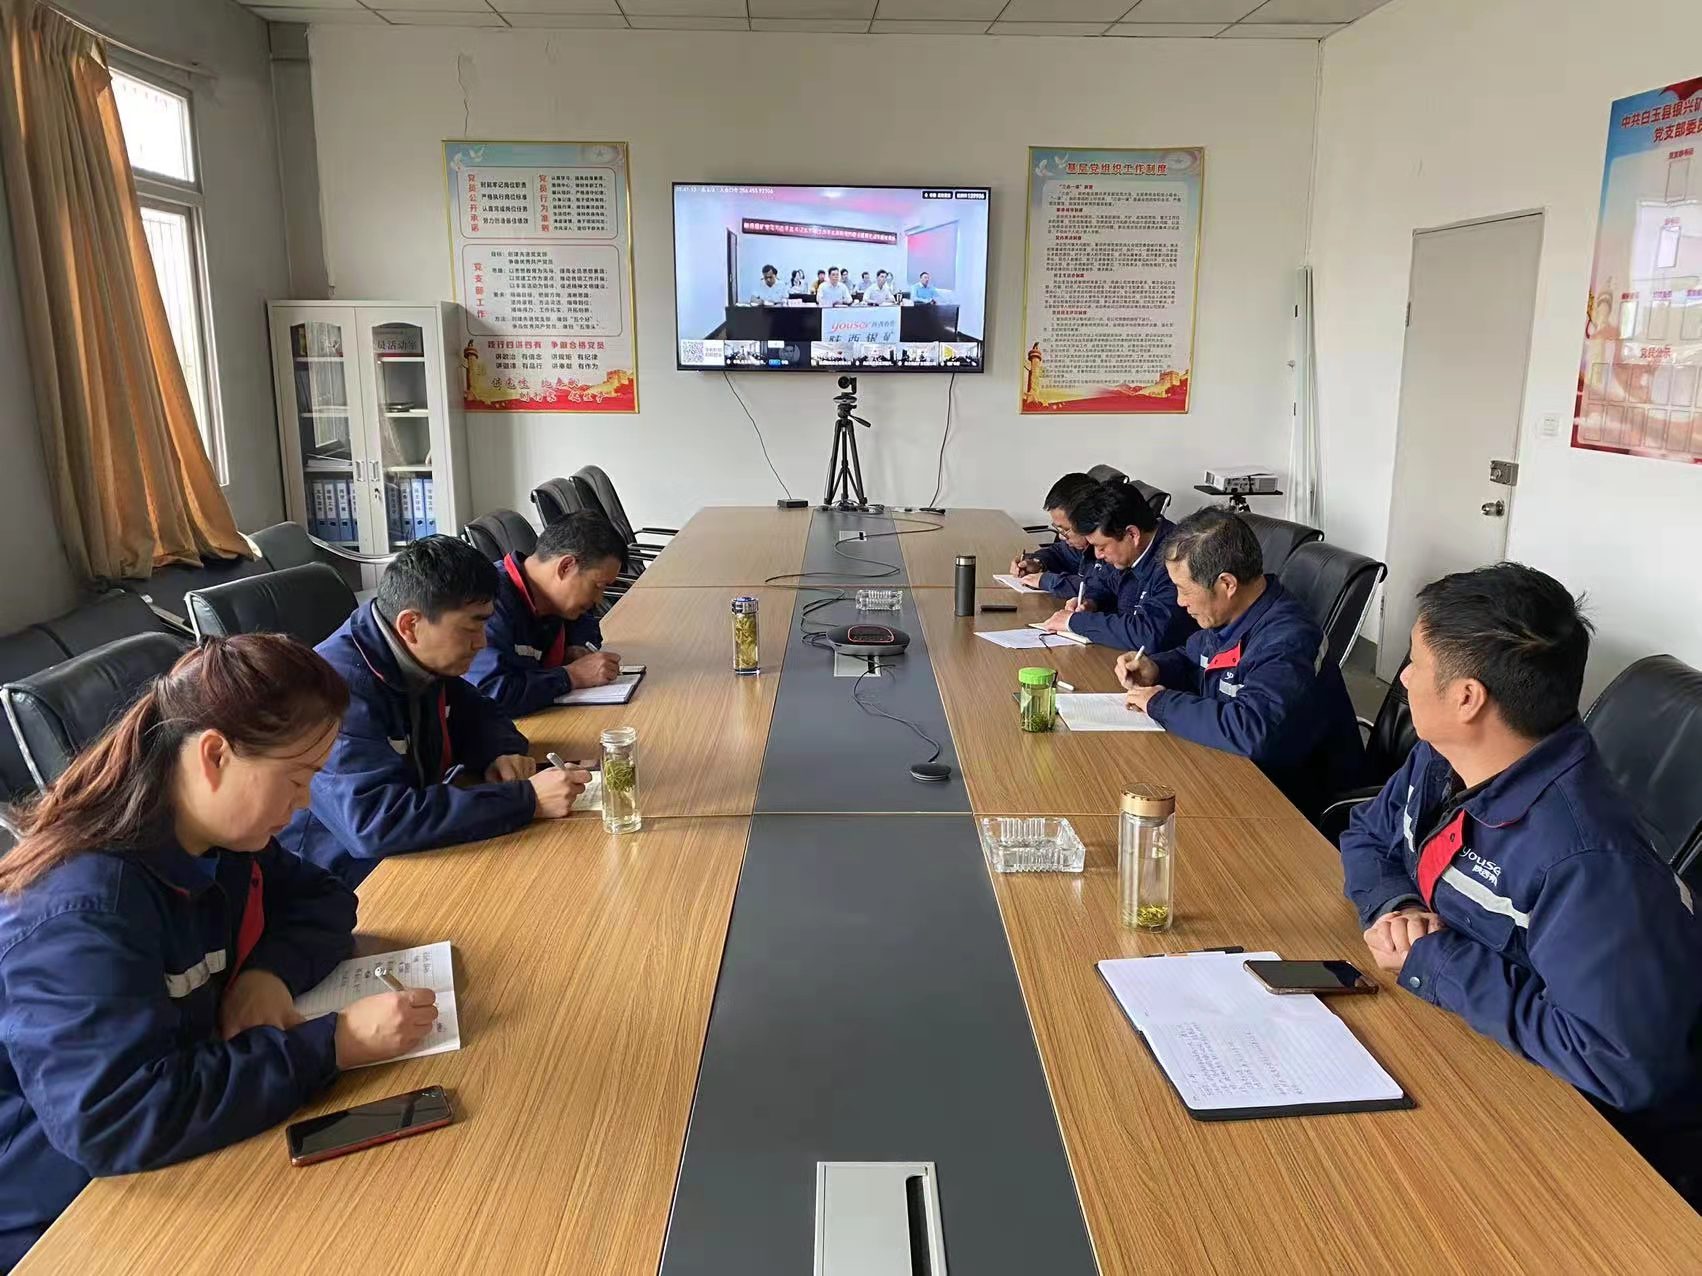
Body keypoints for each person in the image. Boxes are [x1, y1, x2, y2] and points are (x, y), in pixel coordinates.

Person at [0, 635, 440, 1267]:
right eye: (297, 778)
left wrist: (269, 974)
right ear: (214, 755)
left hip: (190, 1142)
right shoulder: (80, 910)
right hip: (66, 1209)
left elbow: (324, 899)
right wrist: (335, 1044)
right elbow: (114, 1119)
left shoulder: (216, 837)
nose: (305, 802)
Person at [1338, 564, 1702, 1206]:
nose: (1403, 678)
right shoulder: (1443, 756)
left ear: (1468, 698)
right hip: (1461, 1044)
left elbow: (1615, 1063)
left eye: (1416, 662)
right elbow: (1368, 834)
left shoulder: (1588, 861)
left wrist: (1437, 960)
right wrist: (1397, 907)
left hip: (1586, 1149)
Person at [282, 536, 588, 887]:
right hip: (344, 875)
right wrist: (526, 799)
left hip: (413, 847)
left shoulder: (415, 654)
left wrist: (499, 752)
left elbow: (483, 713)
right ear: (410, 625)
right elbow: (375, 822)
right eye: (471, 627)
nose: (482, 642)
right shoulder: (333, 691)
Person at [1117, 506, 1366, 818]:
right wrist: (1156, 667)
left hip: (1290, 803)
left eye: (1184, 590)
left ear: (1227, 584)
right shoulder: (1232, 616)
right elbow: (1194, 658)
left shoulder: (1288, 640)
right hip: (1232, 772)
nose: (1180, 602)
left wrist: (1161, 703)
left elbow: (1253, 729)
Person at [469, 511, 628, 716]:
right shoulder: (489, 603)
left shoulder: (556, 598)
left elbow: (586, 625)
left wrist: (576, 647)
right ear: (566, 567)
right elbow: (491, 694)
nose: (599, 598)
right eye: (598, 586)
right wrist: (572, 676)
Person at [1042, 481, 1194, 652]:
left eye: (1101, 547)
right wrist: (1091, 601)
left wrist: (1074, 622)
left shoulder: (1176, 560)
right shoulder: (1127, 552)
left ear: (1132, 534)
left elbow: (1150, 634)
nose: (1098, 555)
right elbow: (1105, 583)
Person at [1010, 471, 1103, 601]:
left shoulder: (1108, 550)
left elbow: (1098, 587)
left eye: (1065, 530)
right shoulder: (1081, 546)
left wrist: (1046, 581)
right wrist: (1037, 563)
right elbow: (1059, 552)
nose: (1061, 537)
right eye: (1058, 528)